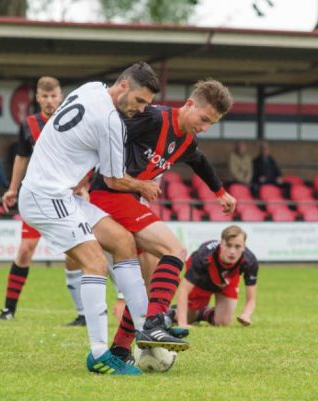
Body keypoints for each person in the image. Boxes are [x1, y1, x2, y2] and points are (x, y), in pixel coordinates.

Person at [18, 62, 175, 375]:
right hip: (45, 195)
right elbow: (115, 180)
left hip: (63, 193)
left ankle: (147, 326)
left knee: (123, 241)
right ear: (124, 87)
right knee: (95, 264)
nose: (141, 109)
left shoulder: (89, 88)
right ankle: (100, 353)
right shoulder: (111, 121)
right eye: (140, 101)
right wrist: (143, 184)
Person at [88, 79, 236, 359]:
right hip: (108, 194)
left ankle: (121, 350)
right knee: (175, 250)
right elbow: (107, 134)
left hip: (129, 201)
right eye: (204, 119)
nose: (204, 128)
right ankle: (154, 324)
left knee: (149, 282)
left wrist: (220, 193)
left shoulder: (187, 140)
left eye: (211, 125)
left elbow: (200, 161)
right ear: (189, 104)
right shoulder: (153, 117)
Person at [0, 76, 86, 326]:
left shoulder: (73, 121)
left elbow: (86, 155)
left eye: (54, 96)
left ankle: (83, 314)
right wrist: (12, 188)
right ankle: (8, 309)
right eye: (44, 96)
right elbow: (22, 157)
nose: (49, 101)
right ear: (37, 98)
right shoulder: (28, 125)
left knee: (75, 254)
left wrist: (84, 185)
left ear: (61, 97)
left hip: (68, 197)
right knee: (25, 250)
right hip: (38, 197)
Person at [173, 225, 258, 327]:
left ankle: (203, 312)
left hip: (228, 279)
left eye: (237, 247)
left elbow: (251, 298)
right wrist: (182, 323)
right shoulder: (203, 256)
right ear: (221, 243)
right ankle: (172, 313)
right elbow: (183, 290)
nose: (232, 251)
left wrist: (246, 315)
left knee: (223, 322)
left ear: (244, 246)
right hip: (203, 278)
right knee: (187, 318)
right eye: (228, 245)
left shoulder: (250, 261)